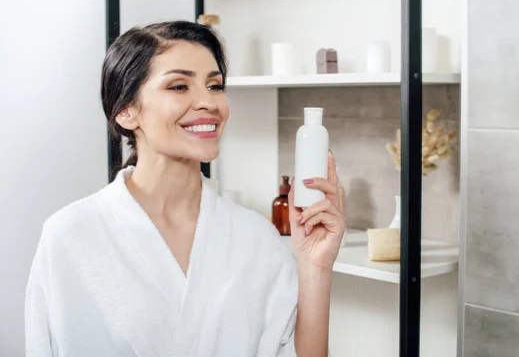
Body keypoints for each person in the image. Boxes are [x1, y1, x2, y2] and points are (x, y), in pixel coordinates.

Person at [24, 21, 345, 356]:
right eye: (179, 86)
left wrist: (315, 267)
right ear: (126, 110)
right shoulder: (71, 235)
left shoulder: (256, 238)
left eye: (215, 86)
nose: (208, 102)